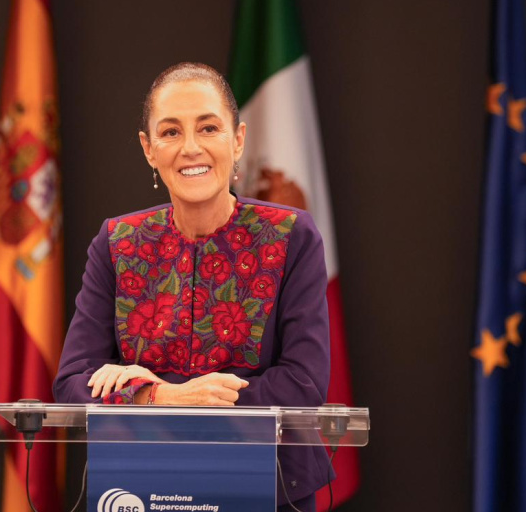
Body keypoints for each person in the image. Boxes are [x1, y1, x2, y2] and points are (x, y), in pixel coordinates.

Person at [53, 62, 331, 511]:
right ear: (149, 149)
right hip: (140, 486)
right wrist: (166, 396)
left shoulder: (291, 235)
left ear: (237, 139)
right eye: (170, 132)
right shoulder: (117, 242)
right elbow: (71, 382)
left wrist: (151, 396)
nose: (190, 148)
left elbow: (303, 383)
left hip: (271, 485)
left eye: (208, 128)